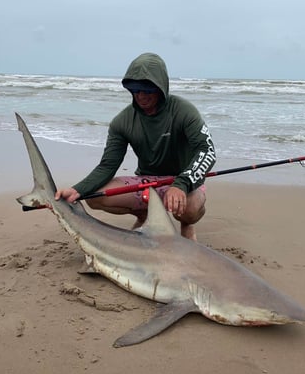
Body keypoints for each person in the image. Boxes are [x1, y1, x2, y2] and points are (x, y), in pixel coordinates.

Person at [55, 52, 216, 241]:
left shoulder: (183, 111)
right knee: (93, 196)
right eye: (136, 89)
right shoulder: (122, 122)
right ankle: (144, 215)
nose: (141, 96)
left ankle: (187, 225)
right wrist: (78, 189)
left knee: (189, 209)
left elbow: (207, 151)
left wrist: (182, 184)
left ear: (160, 87)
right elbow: (108, 166)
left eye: (147, 90)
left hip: (183, 180)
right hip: (147, 181)